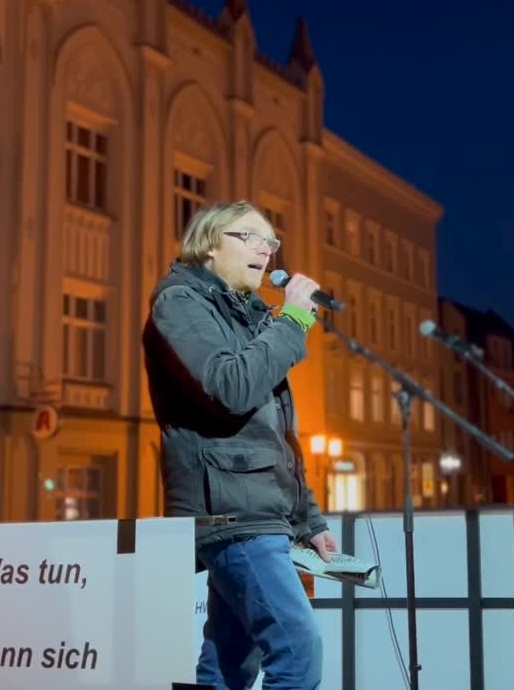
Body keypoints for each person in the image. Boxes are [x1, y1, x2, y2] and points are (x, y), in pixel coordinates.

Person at [142, 200, 335, 690]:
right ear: (208, 244)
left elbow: (277, 436)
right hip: (229, 514)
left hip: (255, 512)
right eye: (248, 236)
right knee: (298, 651)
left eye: (270, 241)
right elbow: (229, 388)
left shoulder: (250, 319)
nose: (265, 249)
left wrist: (308, 519)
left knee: (228, 666)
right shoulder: (179, 302)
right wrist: (291, 323)